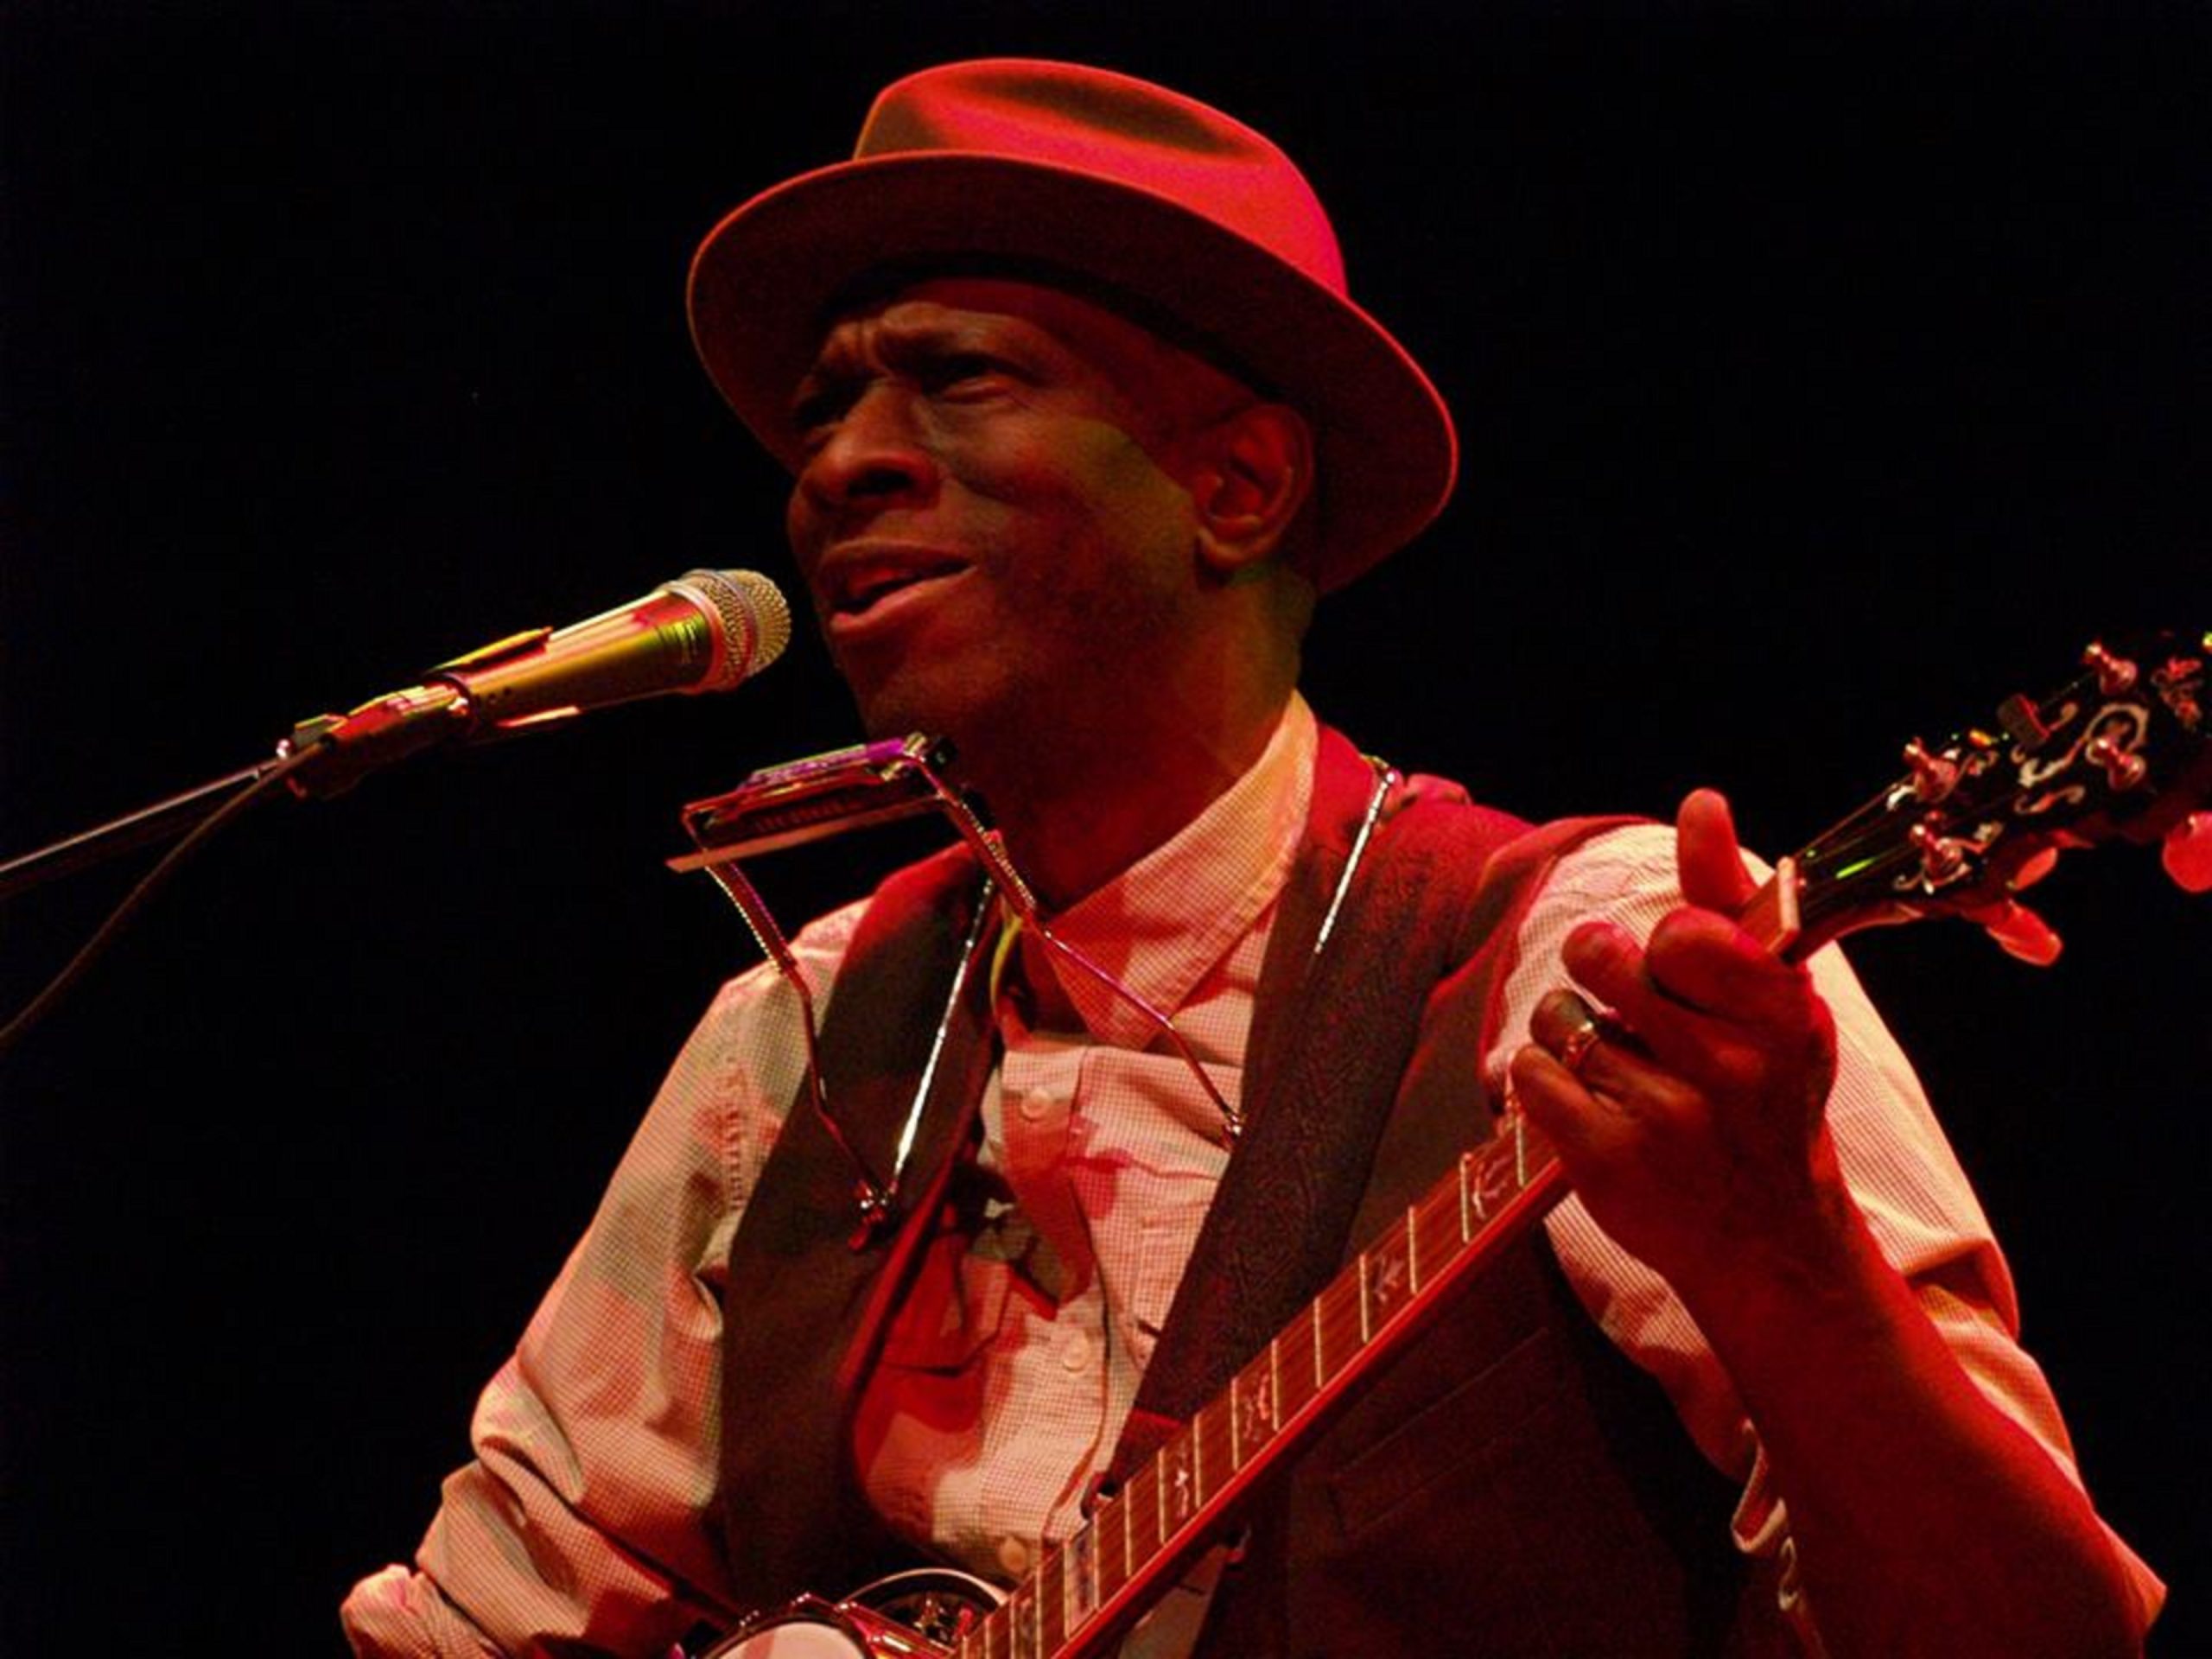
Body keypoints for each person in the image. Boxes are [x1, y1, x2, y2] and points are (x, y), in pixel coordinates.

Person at [342, 59, 2165, 1657]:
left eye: (954, 379)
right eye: (822, 408)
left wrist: (1784, 1263)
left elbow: (2040, 1638)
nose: (841, 464)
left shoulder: (1594, 963)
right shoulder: (797, 1032)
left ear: (1235, 487)